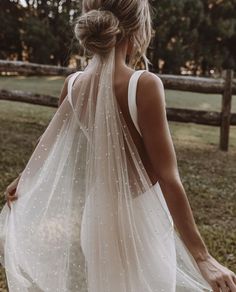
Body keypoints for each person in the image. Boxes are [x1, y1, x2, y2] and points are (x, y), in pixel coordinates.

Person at [1, 0, 236, 291]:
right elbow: (168, 177)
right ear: (137, 31)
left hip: (97, 218)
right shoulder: (145, 85)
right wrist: (203, 257)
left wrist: (24, 180)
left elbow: (48, 145)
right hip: (141, 221)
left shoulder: (73, 84)